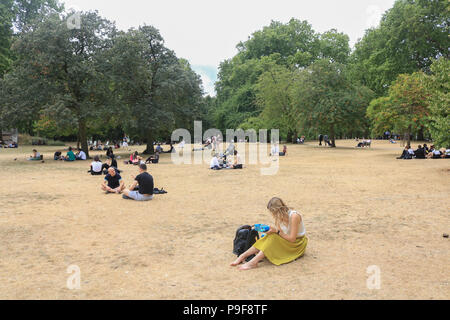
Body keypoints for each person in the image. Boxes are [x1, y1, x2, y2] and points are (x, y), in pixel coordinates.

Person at [231, 197, 307, 270]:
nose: (273, 215)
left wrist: (277, 232)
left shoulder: (294, 216)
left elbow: (292, 239)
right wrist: (271, 231)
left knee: (273, 238)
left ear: (278, 210)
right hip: (286, 242)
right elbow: (280, 234)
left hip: (297, 244)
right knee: (270, 236)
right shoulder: (279, 217)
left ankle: (253, 262)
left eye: (273, 212)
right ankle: (243, 256)